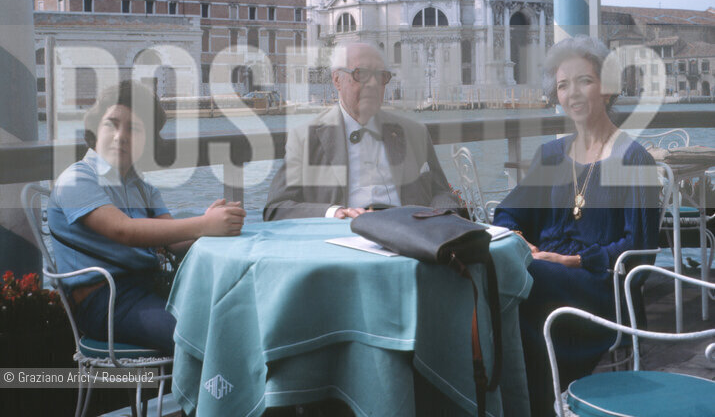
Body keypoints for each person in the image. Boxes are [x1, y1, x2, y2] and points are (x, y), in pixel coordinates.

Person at [492, 36, 661, 417]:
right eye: (563, 85)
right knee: (496, 271)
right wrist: (520, 240)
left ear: (606, 87)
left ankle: (535, 404)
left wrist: (573, 262)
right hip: (542, 268)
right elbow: (508, 213)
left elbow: (641, 250)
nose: (573, 93)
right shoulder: (550, 155)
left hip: (603, 287)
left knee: (523, 280)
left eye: (584, 80)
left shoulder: (632, 158)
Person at [48, 80, 246, 354]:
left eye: (134, 129)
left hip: (151, 289)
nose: (121, 135)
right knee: (202, 335)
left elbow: (174, 240)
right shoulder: (76, 178)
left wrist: (211, 223)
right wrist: (202, 224)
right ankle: (215, 394)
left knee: (238, 314)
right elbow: (124, 231)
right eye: (112, 124)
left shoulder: (142, 187)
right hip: (106, 301)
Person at [264, 42, 459, 220]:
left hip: (411, 237)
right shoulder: (306, 137)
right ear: (337, 80)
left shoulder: (414, 132)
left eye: (380, 76)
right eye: (361, 74)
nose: (373, 84)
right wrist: (333, 212)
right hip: (343, 238)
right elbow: (276, 208)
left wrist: (439, 217)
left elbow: (442, 194)